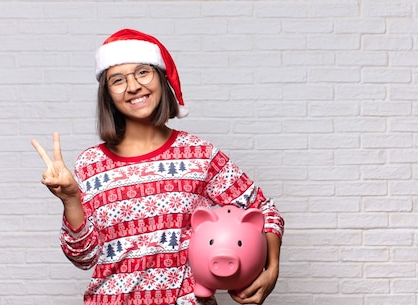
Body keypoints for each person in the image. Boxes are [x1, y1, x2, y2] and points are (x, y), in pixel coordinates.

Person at [31, 28, 284, 305]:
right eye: (118, 80)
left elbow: (263, 210)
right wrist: (71, 199)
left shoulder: (199, 154)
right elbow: (84, 257)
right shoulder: (91, 164)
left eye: (142, 72)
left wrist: (271, 270)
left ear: (161, 79)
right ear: (108, 94)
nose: (133, 86)